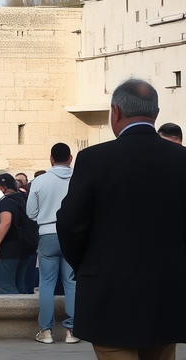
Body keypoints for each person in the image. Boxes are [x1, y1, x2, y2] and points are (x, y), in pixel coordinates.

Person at [57, 79, 186, 359]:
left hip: (111, 292)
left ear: (115, 112)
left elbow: (69, 223)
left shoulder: (94, 159)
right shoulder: (181, 158)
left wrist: (88, 265)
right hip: (167, 292)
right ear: (156, 112)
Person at [26, 143, 77, 345]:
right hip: (72, 235)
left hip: (47, 232)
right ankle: (71, 331)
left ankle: (46, 331)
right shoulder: (79, 178)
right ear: (70, 158)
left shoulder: (40, 181)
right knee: (71, 282)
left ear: (51, 159)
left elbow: (31, 213)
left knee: (46, 283)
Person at [0, 173, 34, 295]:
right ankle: (25, 312)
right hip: (26, 246)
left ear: (3, 187)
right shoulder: (22, 198)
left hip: (10, 248)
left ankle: (14, 313)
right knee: (20, 283)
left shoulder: (6, 202)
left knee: (6, 286)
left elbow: (6, 222)